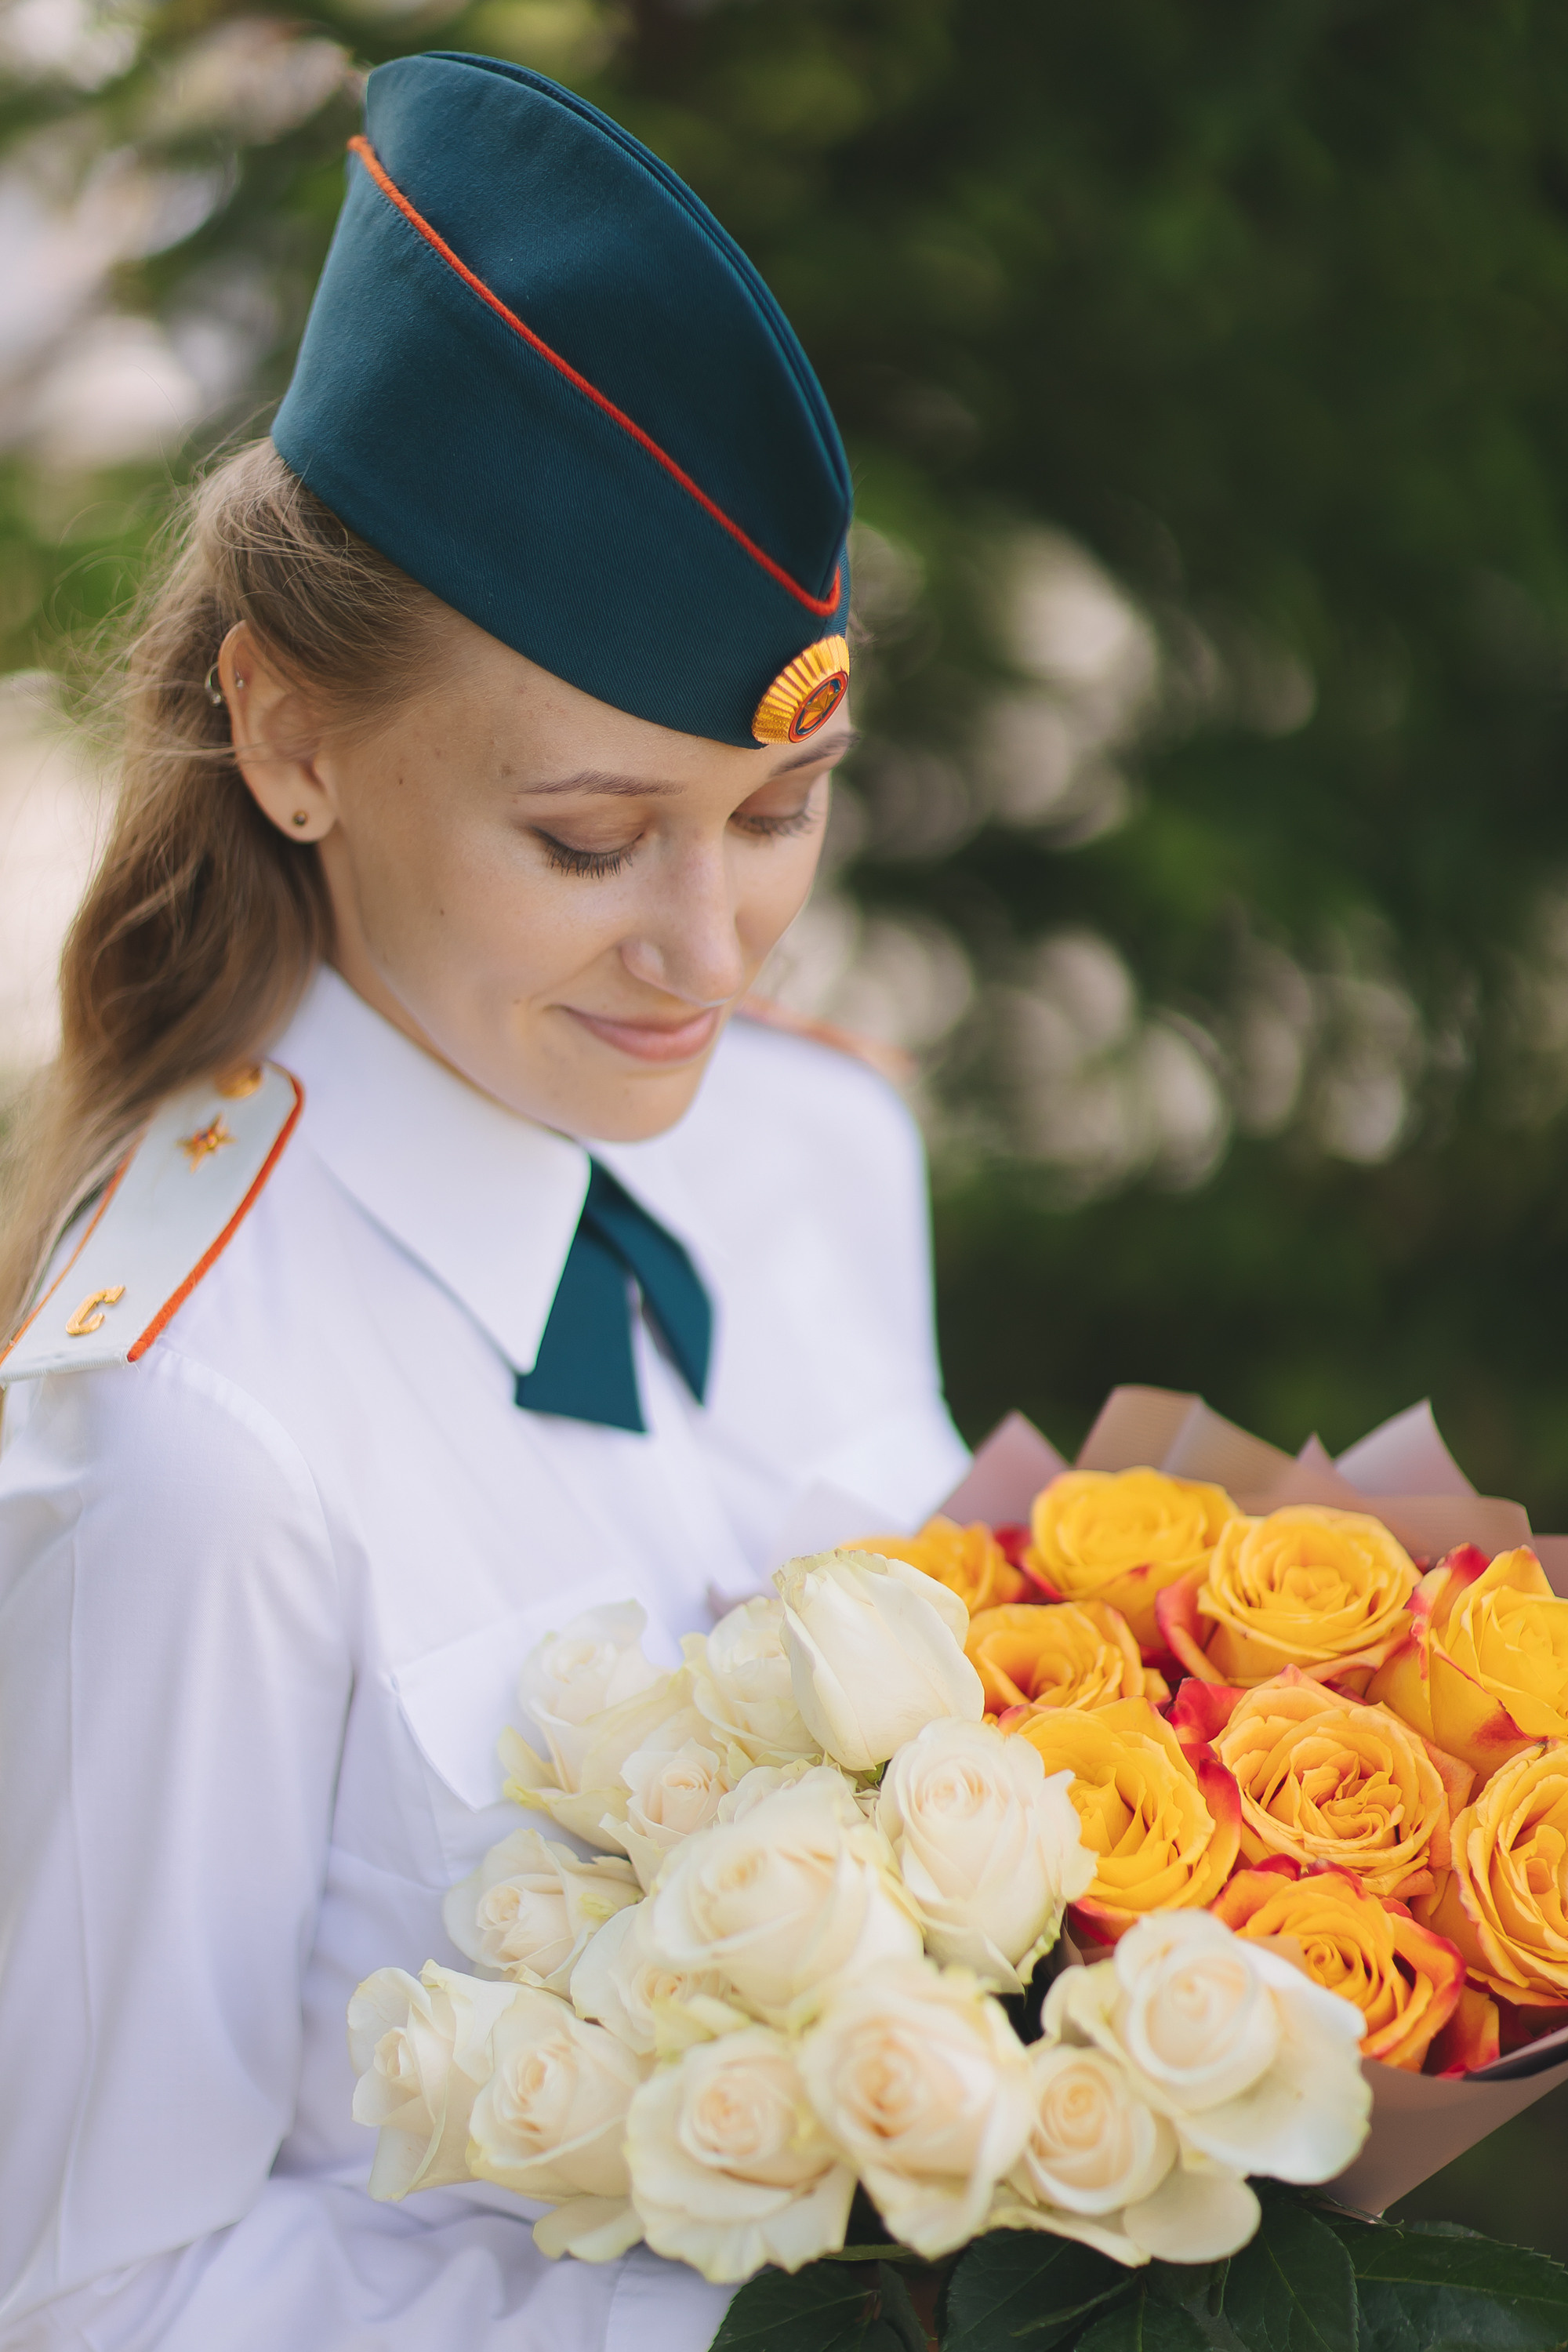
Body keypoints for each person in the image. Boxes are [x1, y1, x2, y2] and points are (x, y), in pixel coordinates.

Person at [0, 52, 968, 2352]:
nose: (715, 955)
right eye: (588, 840)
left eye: (777, 812)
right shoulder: (185, 1438)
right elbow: (86, 2289)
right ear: (293, 737)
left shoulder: (824, 1145)